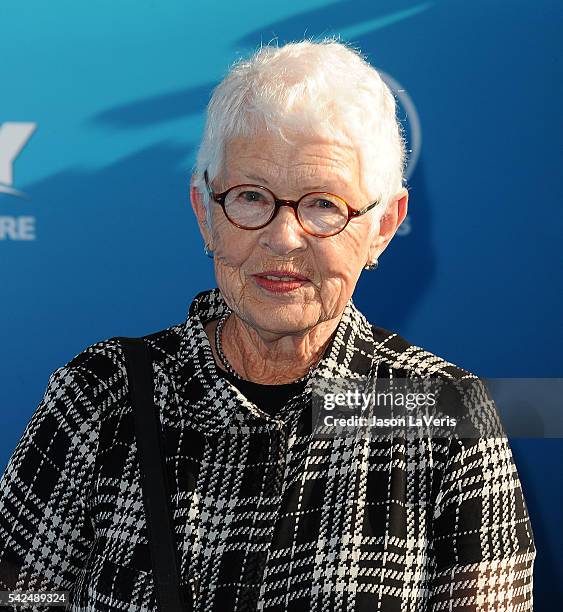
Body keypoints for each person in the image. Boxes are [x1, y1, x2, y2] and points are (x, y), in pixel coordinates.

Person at [0, 39, 535, 611]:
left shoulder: (447, 412)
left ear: (383, 226)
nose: (283, 239)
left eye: (324, 204)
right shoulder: (99, 396)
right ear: (205, 211)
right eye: (251, 197)